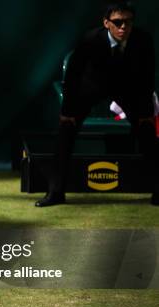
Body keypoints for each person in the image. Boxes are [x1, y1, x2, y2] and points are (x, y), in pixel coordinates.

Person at [36, 1, 158, 207]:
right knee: (66, 131)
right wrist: (68, 111)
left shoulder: (143, 40)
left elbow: (147, 77)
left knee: (147, 132)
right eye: (118, 22)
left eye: (128, 22)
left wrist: (146, 111)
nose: (123, 27)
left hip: (128, 89)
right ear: (106, 23)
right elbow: (73, 74)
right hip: (91, 87)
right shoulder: (91, 39)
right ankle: (56, 193)